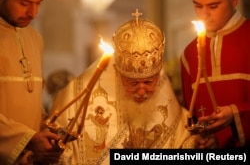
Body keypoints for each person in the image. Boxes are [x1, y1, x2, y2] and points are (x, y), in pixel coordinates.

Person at [49, 10, 216, 165]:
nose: (142, 91)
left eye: (149, 82)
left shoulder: (164, 92)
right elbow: (59, 152)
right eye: (133, 83)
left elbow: (180, 138)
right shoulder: (78, 97)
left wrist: (196, 145)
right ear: (117, 72)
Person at [181, 0, 250, 148]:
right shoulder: (190, 53)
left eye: (213, 6)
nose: (204, 15)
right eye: (198, 6)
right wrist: (201, 139)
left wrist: (236, 114)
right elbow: (189, 116)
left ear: (234, 0)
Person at [0, 0, 61, 164]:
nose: (33, 13)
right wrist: (28, 139)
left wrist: (48, 128)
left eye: (39, 3)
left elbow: (31, 101)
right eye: (24, 3)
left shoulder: (35, 38)